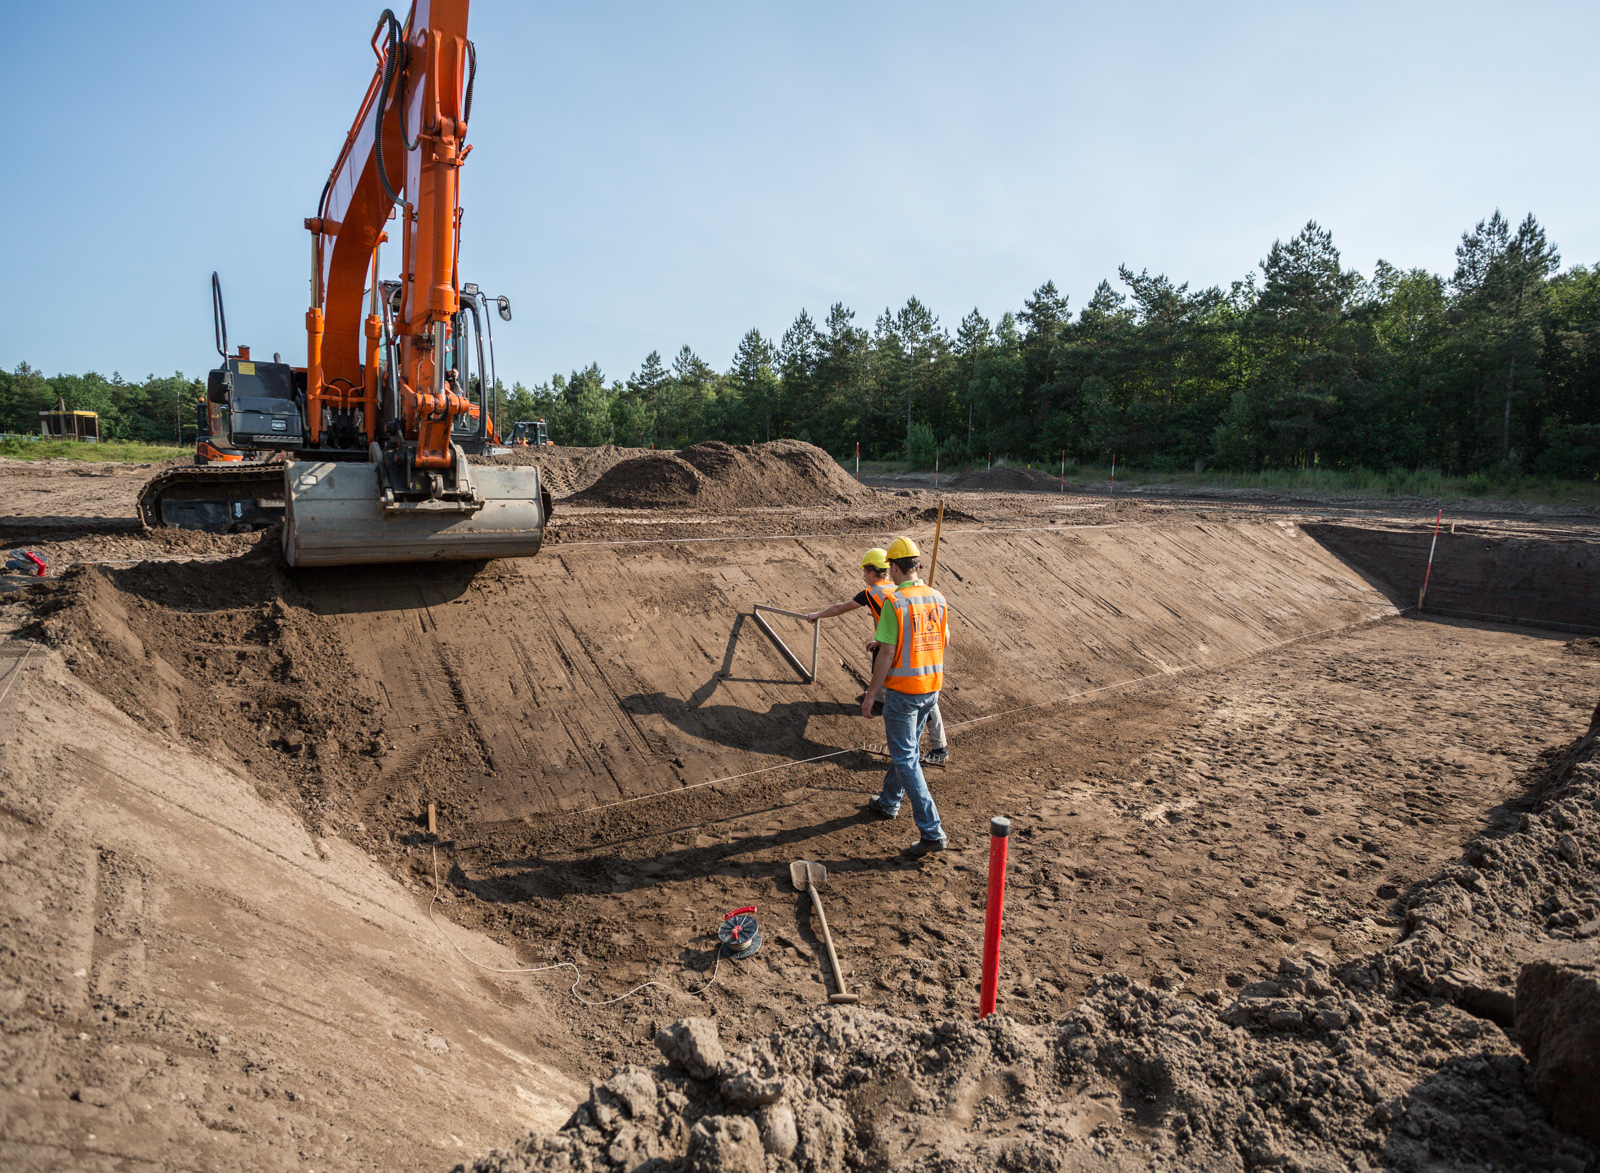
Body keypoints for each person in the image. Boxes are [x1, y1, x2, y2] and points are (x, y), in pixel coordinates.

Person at [861, 536, 950, 856]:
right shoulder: (937, 597)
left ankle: (931, 830)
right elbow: (945, 639)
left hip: (903, 693)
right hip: (931, 688)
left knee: (906, 758)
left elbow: (886, 654)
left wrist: (872, 694)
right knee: (905, 751)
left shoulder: (894, 603)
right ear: (918, 566)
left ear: (895, 568)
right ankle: (888, 802)